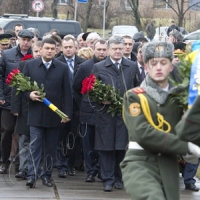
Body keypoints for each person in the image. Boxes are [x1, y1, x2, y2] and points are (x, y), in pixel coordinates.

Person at [120, 41, 200, 200]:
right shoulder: (135, 96)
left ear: (171, 67)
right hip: (139, 162)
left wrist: (193, 146)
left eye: (163, 63)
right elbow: (143, 134)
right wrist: (185, 146)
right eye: (153, 63)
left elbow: (186, 128)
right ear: (146, 68)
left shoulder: (179, 97)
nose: (158, 67)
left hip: (168, 164)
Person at [91, 36, 139, 192]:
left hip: (125, 115)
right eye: (115, 49)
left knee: (122, 147)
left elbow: (138, 88)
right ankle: (108, 178)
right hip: (106, 115)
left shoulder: (132, 66)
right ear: (109, 50)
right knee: (106, 148)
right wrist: (101, 100)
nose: (118, 51)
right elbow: (91, 90)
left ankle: (119, 178)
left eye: (120, 48)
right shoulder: (99, 67)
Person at [23, 38, 73, 188]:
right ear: (41, 49)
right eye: (47, 48)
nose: (49, 51)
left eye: (52, 48)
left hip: (54, 116)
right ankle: (32, 176)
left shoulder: (62, 68)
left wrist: (67, 114)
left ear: (56, 50)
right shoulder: (30, 65)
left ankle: (47, 175)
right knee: (34, 147)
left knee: (51, 148)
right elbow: (21, 89)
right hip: (36, 114)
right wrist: (29, 95)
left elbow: (67, 93)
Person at [74, 39, 108, 183]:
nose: (101, 52)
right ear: (93, 49)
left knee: (103, 143)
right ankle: (91, 171)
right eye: (99, 49)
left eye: (103, 49)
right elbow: (76, 86)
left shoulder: (109, 66)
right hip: (88, 110)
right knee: (87, 143)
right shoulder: (85, 66)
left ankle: (102, 169)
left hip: (105, 112)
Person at [0, 29, 33, 174]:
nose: (25, 42)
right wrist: (1, 95)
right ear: (18, 39)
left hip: (26, 102)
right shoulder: (8, 55)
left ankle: (20, 164)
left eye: (28, 40)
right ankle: (4, 160)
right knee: (7, 130)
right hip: (8, 99)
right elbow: (1, 76)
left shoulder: (34, 55)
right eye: (23, 39)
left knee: (23, 132)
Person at [11, 41, 42, 180]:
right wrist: (16, 108)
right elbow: (16, 87)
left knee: (37, 141)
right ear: (32, 52)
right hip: (25, 109)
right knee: (24, 140)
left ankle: (35, 168)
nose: (38, 54)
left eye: (40, 51)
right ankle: (23, 168)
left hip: (42, 109)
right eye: (36, 51)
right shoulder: (24, 65)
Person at [56, 36, 85, 178]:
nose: (68, 49)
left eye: (70, 47)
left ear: (76, 48)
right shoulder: (57, 62)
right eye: (65, 47)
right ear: (61, 48)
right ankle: (61, 165)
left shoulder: (82, 63)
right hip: (60, 105)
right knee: (61, 135)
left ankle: (71, 164)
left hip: (77, 105)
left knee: (74, 136)